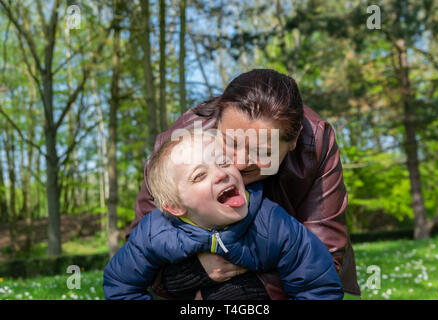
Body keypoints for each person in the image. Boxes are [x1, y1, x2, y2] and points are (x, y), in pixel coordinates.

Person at [129, 69, 360, 298]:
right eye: (229, 143)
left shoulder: (316, 142)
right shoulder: (177, 147)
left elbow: (323, 256)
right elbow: (137, 251)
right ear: (217, 122)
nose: (239, 164)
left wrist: (245, 291)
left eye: (262, 151)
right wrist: (188, 275)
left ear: (294, 139)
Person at [103, 130, 344, 300]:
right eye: (199, 175)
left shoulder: (272, 222)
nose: (220, 174)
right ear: (175, 207)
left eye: (224, 162)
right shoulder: (155, 231)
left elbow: (318, 286)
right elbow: (120, 284)